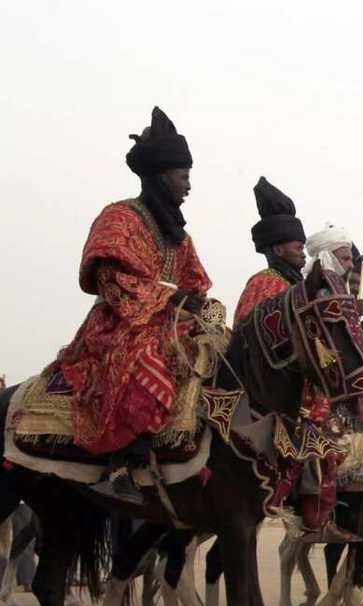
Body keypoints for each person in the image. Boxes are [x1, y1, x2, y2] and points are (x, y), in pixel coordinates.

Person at [59, 107, 211, 504]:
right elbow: (111, 280)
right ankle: (126, 462)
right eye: (183, 177)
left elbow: (195, 282)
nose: (189, 186)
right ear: (162, 177)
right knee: (146, 360)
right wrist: (171, 297)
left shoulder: (178, 235)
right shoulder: (120, 218)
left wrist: (199, 306)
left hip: (169, 324)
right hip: (121, 325)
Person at [233, 177, 306, 325]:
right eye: (298, 248)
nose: (303, 254)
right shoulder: (264, 283)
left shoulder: (295, 286)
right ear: (278, 250)